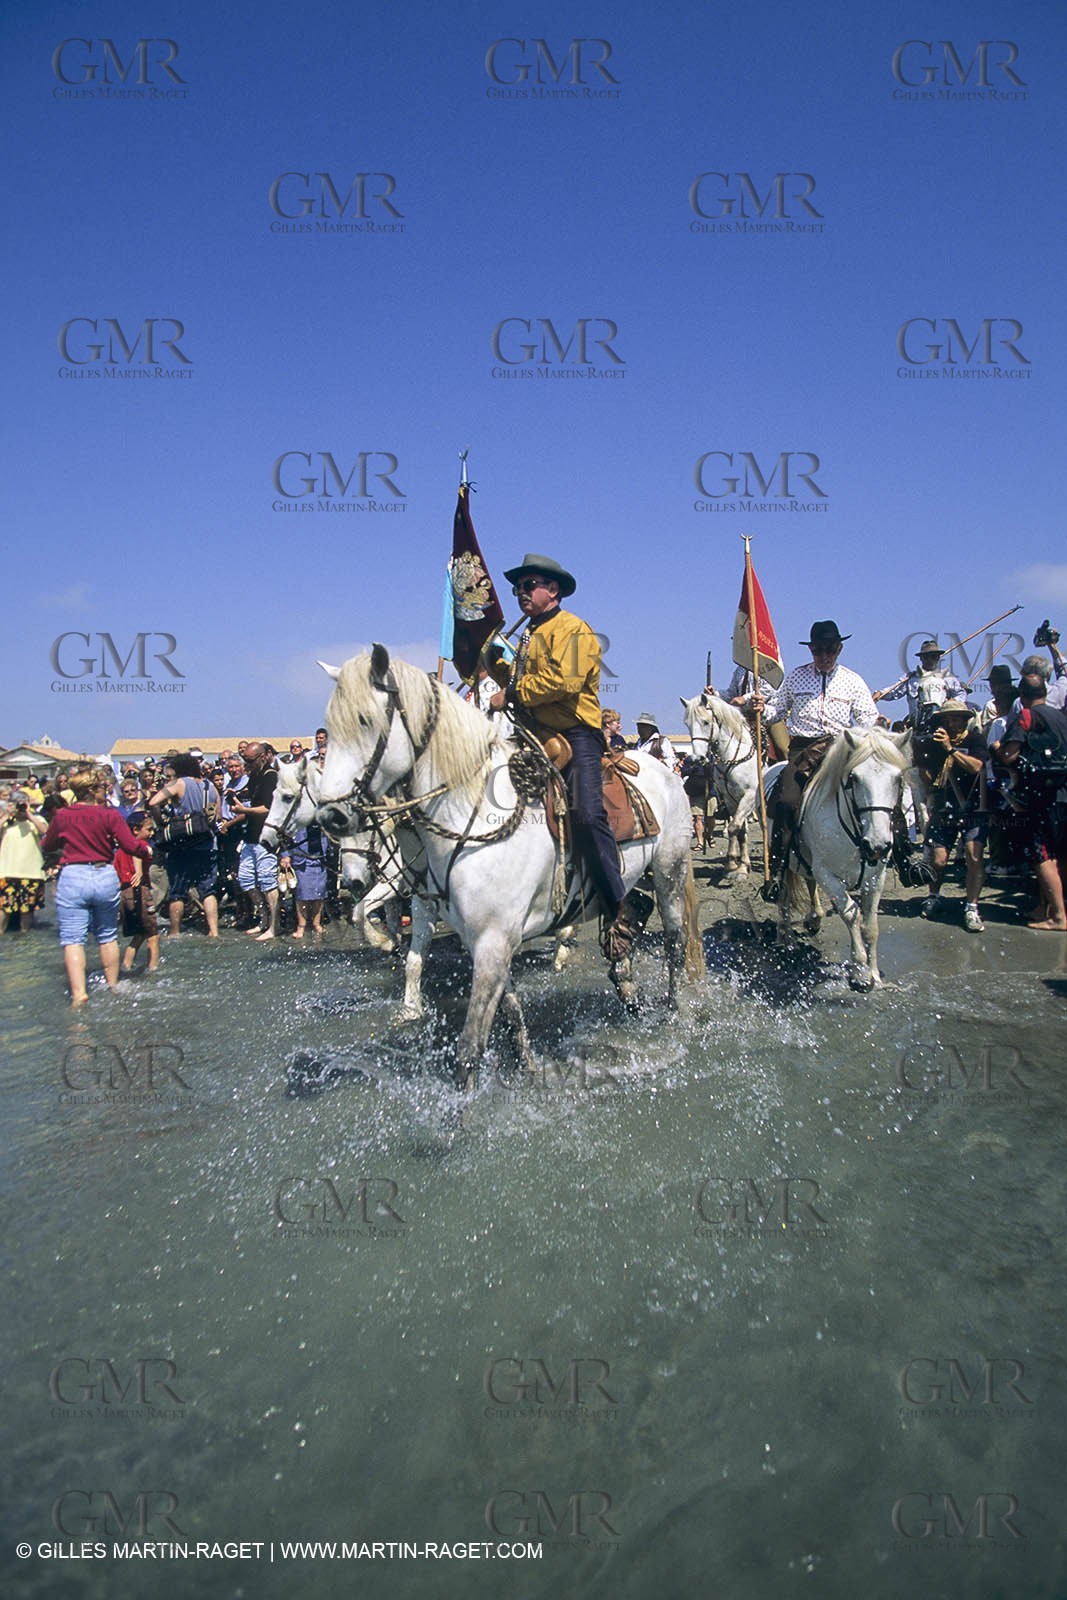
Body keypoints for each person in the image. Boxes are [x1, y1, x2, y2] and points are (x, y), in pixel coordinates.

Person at [489, 552, 647, 959]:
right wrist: (494, 665)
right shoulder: (526, 635)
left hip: (576, 734)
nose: (520, 593)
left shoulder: (574, 629)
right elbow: (521, 678)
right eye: (516, 588)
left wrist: (513, 692)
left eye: (529, 585)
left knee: (586, 814)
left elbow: (565, 681)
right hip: (532, 733)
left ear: (552, 590)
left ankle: (618, 908)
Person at [752, 619, 878, 900]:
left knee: (877, 793)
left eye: (829, 650)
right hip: (803, 751)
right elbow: (775, 710)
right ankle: (779, 867)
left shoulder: (853, 681)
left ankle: (903, 858)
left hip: (841, 750)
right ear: (811, 650)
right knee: (785, 801)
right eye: (818, 650)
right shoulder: (796, 677)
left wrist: (870, 729)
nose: (824, 656)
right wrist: (762, 706)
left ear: (839, 649)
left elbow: (867, 717)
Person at [39, 771, 153, 1005]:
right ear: (92, 790)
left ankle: (79, 993)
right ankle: (113, 985)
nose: (105, 788)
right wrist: (146, 851)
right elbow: (130, 845)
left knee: (73, 939)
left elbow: (47, 844)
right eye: (101, 785)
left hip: (73, 875)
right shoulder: (109, 814)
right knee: (107, 935)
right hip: (103, 874)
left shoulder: (62, 815)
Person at [997, 673, 1067, 931]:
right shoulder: (1060, 716)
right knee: (1061, 854)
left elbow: (1009, 755)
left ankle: (1059, 916)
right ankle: (1046, 906)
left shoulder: (1026, 716)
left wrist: (997, 749)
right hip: (1064, 793)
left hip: (1042, 797)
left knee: (1043, 856)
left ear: (1022, 696)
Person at [913, 702, 989, 931]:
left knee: (972, 855)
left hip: (973, 807)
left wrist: (950, 750)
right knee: (937, 860)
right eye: (947, 719)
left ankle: (972, 906)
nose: (951, 723)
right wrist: (922, 759)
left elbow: (976, 767)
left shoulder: (975, 740)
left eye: (956, 719)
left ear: (964, 720)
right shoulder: (936, 742)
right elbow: (927, 777)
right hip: (944, 807)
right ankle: (934, 895)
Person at [147, 754, 220, 938]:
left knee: (177, 891)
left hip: (182, 845)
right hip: (207, 843)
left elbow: (153, 802)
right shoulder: (209, 786)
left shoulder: (179, 783)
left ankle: (174, 931)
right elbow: (217, 816)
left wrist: (161, 821)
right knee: (207, 890)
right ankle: (214, 931)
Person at [230, 742, 279, 939]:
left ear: (262, 757)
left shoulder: (271, 777)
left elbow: (268, 808)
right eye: (245, 760)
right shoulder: (254, 776)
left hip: (265, 837)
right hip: (250, 836)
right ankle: (264, 918)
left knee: (268, 882)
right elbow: (251, 800)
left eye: (250, 761)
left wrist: (244, 810)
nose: (246, 764)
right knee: (246, 879)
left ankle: (274, 927)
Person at [874, 639, 964, 730]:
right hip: (915, 725)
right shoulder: (910, 678)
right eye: (926, 657)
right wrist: (880, 693)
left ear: (938, 658)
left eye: (933, 656)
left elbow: (961, 693)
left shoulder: (947, 678)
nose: (929, 660)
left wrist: (953, 702)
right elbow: (895, 691)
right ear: (921, 658)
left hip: (941, 724)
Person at [115, 811, 161, 973]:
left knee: (139, 934)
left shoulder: (120, 849)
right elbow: (140, 853)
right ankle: (153, 970)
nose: (151, 833)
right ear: (135, 830)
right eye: (148, 829)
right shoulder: (140, 845)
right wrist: (140, 871)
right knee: (153, 936)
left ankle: (125, 967)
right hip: (140, 891)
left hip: (124, 892)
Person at [0, 792, 48, 932]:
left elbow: (45, 831)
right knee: (4, 908)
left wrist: (28, 814)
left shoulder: (36, 820)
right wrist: (7, 815)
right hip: (7, 872)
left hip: (31, 873)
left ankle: (25, 938)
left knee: (27, 910)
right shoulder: (6, 822)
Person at [280, 817, 328, 937]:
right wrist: (286, 855)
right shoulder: (297, 815)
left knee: (319, 893)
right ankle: (301, 926)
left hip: (320, 857)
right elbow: (285, 837)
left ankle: (316, 923)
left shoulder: (323, 814)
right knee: (302, 894)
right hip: (301, 858)